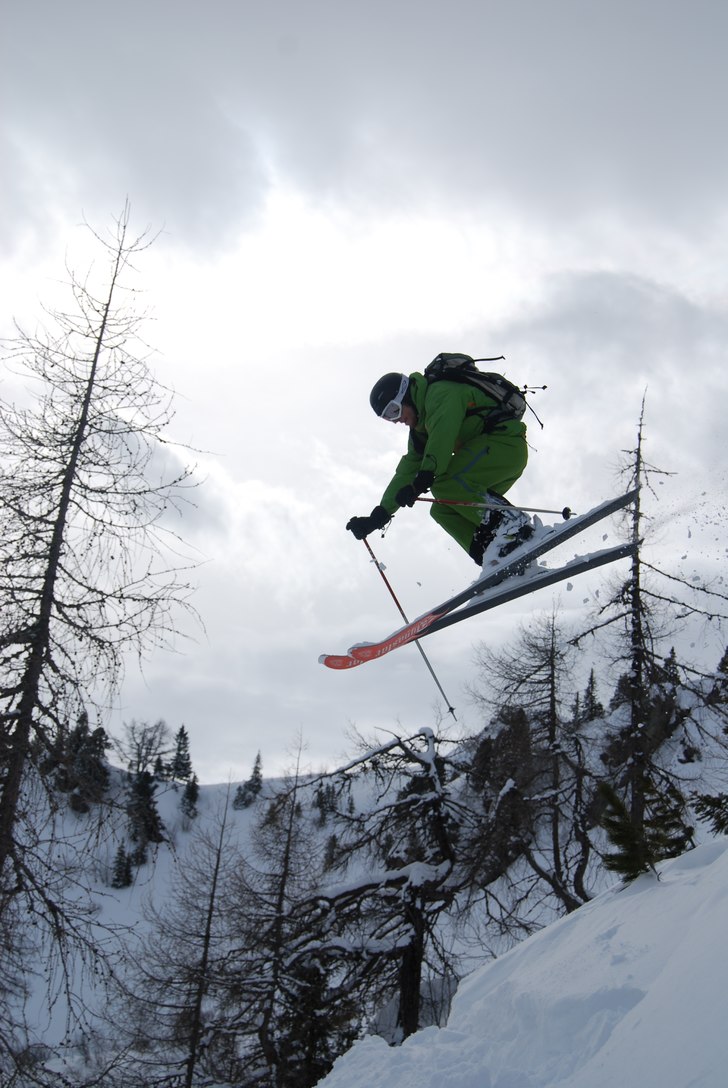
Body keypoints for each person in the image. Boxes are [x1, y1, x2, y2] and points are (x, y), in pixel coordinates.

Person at [346, 369, 532, 565]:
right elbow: (406, 472)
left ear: (406, 395)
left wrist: (423, 479)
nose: (396, 420)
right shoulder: (420, 431)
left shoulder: (440, 394)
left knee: (443, 484)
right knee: (442, 509)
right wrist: (379, 516)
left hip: (505, 445)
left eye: (394, 410)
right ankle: (494, 555)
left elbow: (441, 439)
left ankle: (511, 524)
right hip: (487, 462)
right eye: (389, 418)